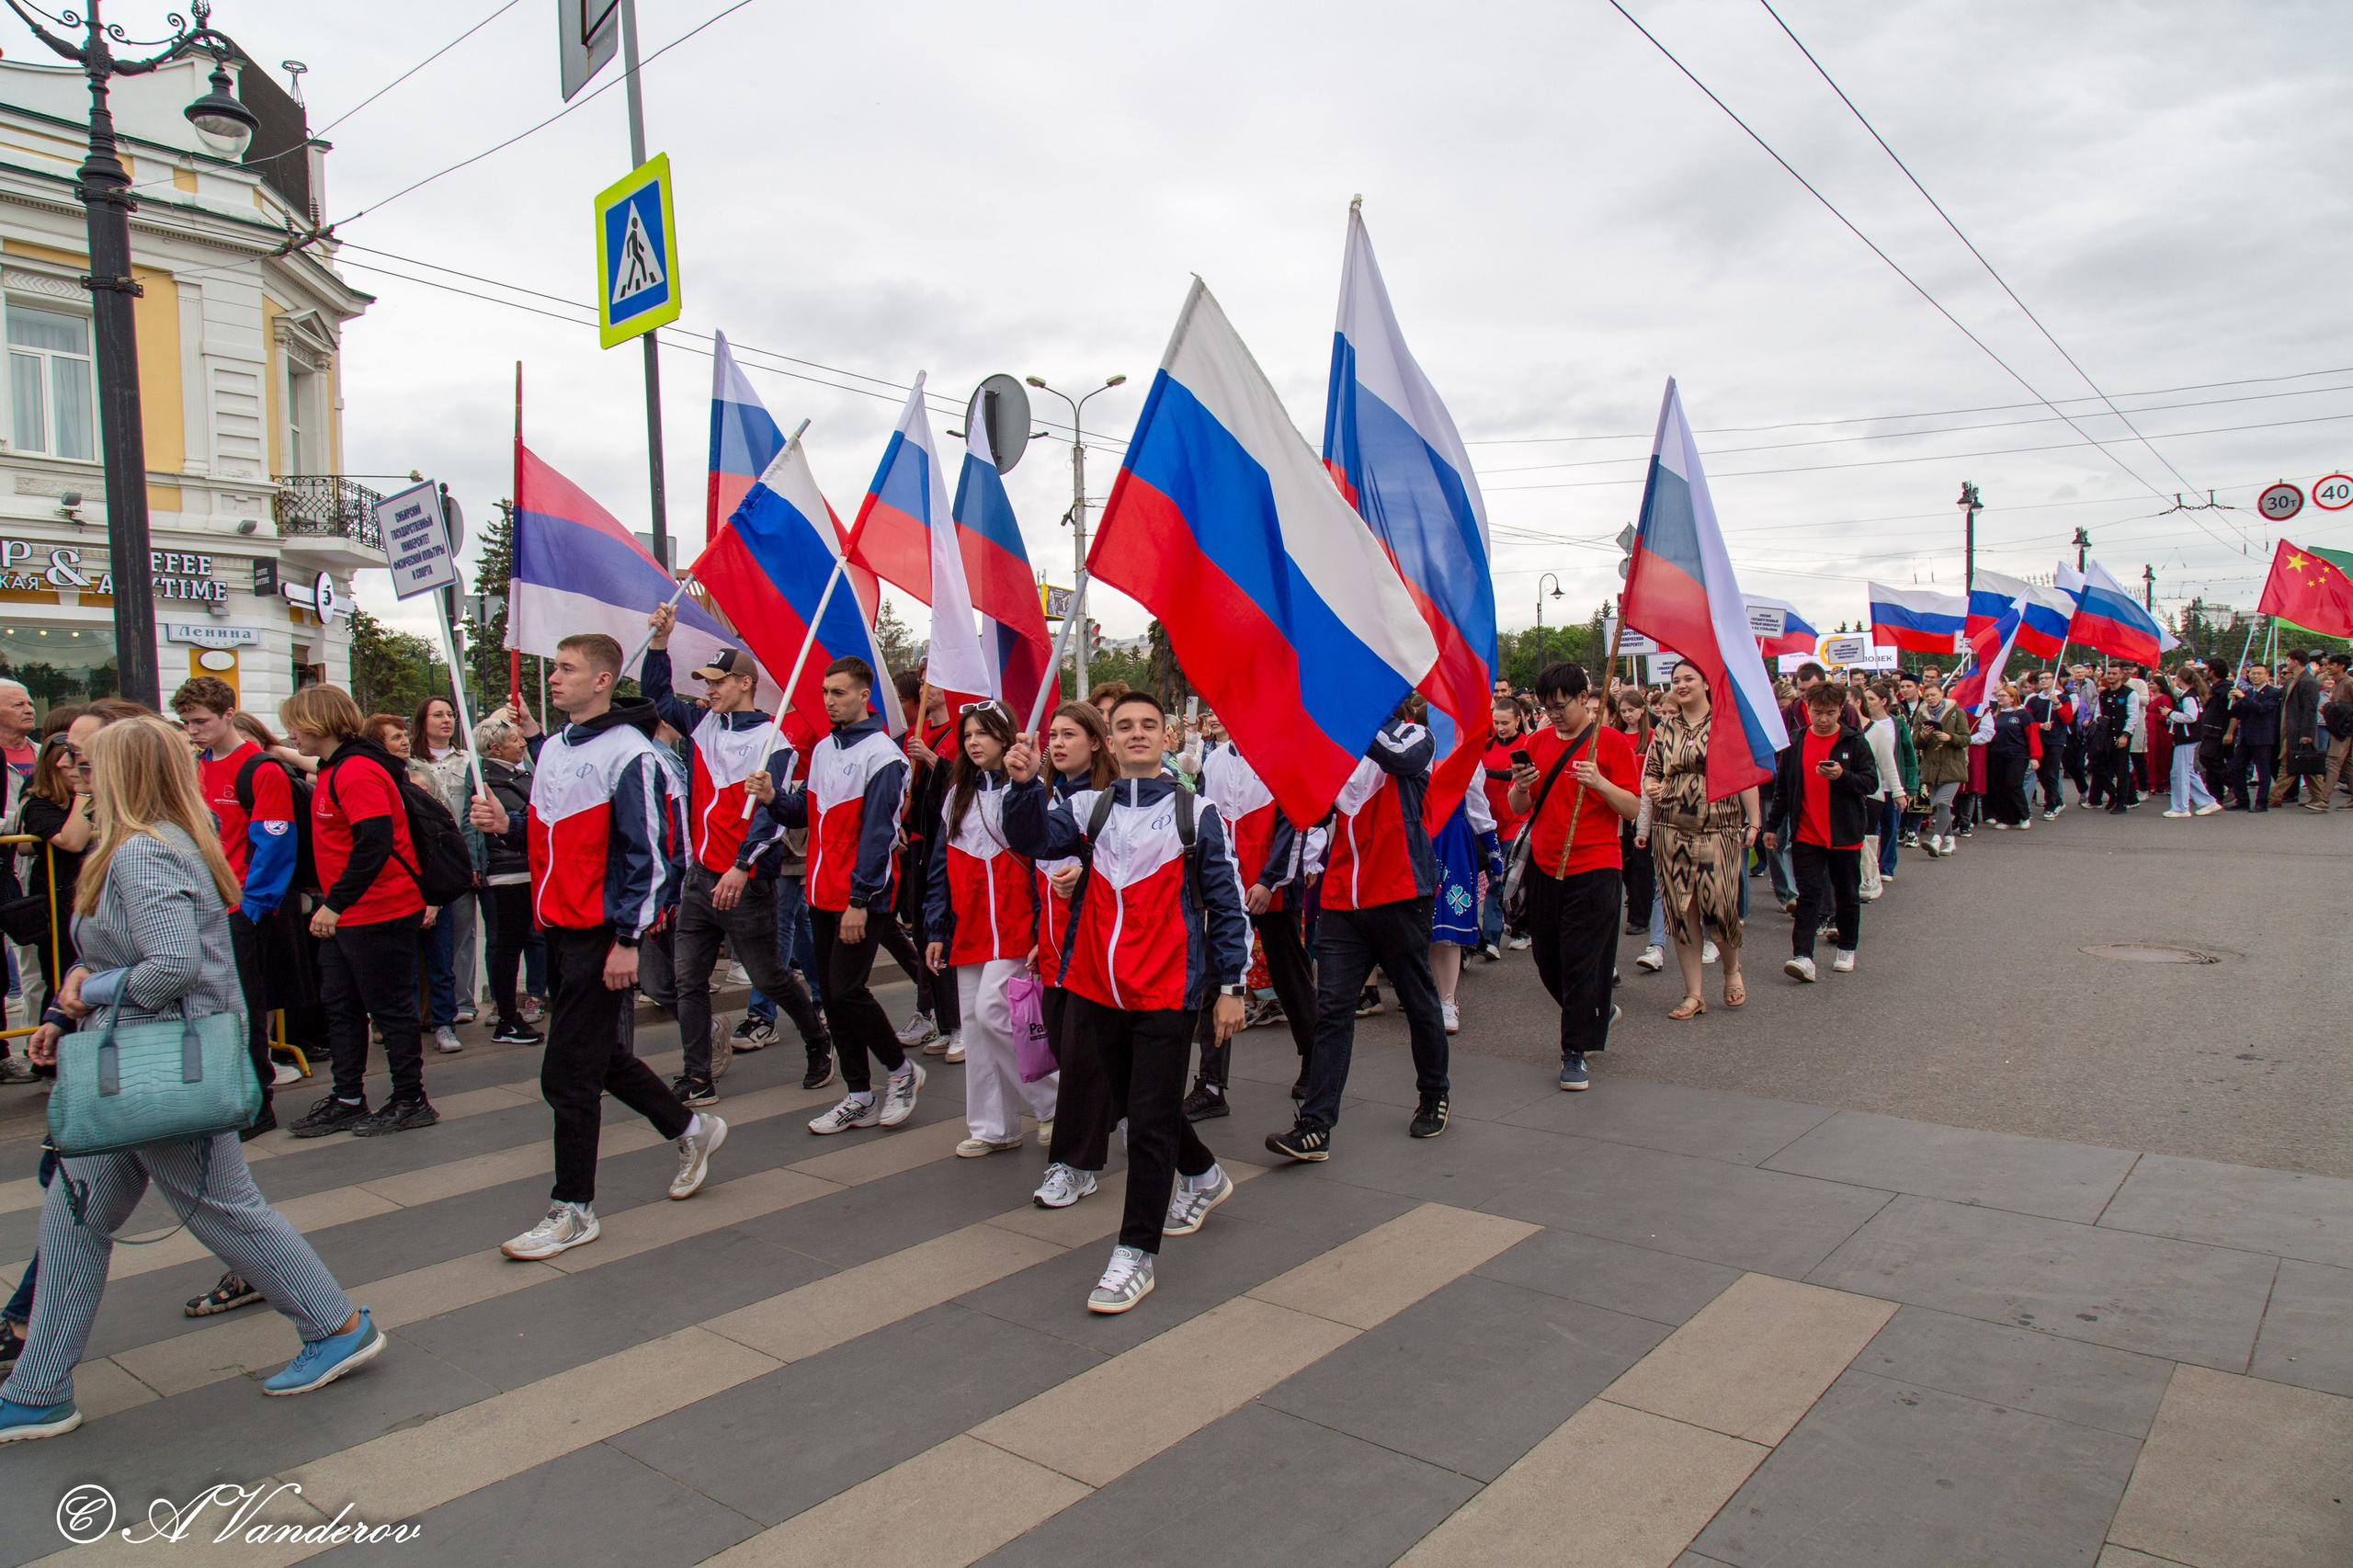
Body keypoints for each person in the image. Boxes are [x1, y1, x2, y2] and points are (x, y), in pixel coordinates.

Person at [0, 717, 383, 1443]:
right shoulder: (152, 845)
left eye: (89, 761)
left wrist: (93, 992)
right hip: (140, 1064)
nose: (75, 770)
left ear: (124, 774)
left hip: (157, 1064)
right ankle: (38, 1385)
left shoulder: (143, 855)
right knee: (74, 1218)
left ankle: (334, 1325)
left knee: (220, 1208)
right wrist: (70, 1001)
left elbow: (174, 964)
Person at [466, 633, 722, 1261]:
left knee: (567, 1075)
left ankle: (573, 1207)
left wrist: (629, 940)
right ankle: (692, 1128)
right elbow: (555, 823)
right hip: (556, 924)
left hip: (601, 933)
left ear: (604, 679)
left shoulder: (633, 755)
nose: (553, 678)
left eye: (566, 669)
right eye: (554, 667)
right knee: (601, 1057)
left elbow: (656, 856)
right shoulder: (553, 747)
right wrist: (511, 823)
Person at [1001, 690, 1247, 1314]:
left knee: (1146, 1122)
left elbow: (1228, 906)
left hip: (1167, 992)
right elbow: (1030, 837)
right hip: (1093, 989)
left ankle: (1135, 1253)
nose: (1138, 734)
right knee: (1146, 1108)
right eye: (1124, 727)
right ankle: (1205, 1175)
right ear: (1108, 742)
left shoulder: (1199, 812)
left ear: (1168, 738)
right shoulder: (1088, 807)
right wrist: (1028, 784)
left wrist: (1231, 988)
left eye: (1149, 726)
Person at [642, 609, 834, 1105]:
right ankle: (696, 1076)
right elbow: (658, 700)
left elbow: (771, 817)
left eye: (717, 681)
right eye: (704, 681)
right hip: (700, 878)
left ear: (745, 683)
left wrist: (742, 866)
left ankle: (818, 1040)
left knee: (769, 975)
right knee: (689, 982)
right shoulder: (703, 722)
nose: (707, 689)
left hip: (746, 882)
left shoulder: (775, 740)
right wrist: (660, 644)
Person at [1267, 696, 1451, 1163]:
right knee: (1332, 1012)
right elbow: (1308, 811)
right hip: (1341, 901)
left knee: (1418, 1001)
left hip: (1400, 893)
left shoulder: (1414, 735)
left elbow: (1400, 758)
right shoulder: (1336, 751)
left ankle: (1434, 1093)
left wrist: (1353, 717)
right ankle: (1315, 1125)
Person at [749, 655, 925, 1135]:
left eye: (839, 693)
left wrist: (861, 901)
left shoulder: (883, 757)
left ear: (864, 696)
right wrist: (772, 800)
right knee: (832, 993)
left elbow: (877, 834)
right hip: (820, 891)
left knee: (848, 991)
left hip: (856, 898)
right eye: (826, 692)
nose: (830, 701)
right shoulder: (825, 748)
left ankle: (902, 1071)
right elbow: (806, 812)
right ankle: (859, 1093)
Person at [278, 688, 438, 1138]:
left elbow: (375, 842)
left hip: (379, 908)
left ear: (318, 725)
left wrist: (334, 903)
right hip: (352, 912)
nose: (291, 734)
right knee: (342, 1009)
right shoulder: (337, 766)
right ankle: (348, 1097)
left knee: (390, 1011)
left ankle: (411, 1098)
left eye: (295, 726)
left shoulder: (356, 771)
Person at [172, 676, 304, 1143]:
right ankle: (225, 1097)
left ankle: (257, 1103)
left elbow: (274, 841)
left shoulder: (260, 768)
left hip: (239, 908)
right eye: (186, 722)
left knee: (244, 1007)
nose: (193, 730)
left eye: (201, 721)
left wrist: (252, 906)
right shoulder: (193, 766)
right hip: (200, 904)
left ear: (229, 714)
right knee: (211, 1007)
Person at [924, 701, 1052, 1157]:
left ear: (1005, 736)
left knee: (994, 1011)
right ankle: (993, 1126)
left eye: (983, 733)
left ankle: (1053, 1101)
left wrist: (1043, 928)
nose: (973, 742)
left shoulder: (1030, 790)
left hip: (1017, 923)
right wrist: (936, 927)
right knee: (975, 1026)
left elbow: (1045, 860)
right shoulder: (957, 792)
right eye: (967, 735)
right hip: (971, 924)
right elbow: (939, 866)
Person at [1506, 662, 1641, 1091]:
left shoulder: (1613, 743)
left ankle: (1574, 1051)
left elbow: (1633, 809)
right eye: (1546, 707)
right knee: (1548, 960)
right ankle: (1594, 1008)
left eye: (1561, 705)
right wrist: (1521, 785)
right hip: (1547, 864)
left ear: (1585, 698)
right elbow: (1517, 808)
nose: (1554, 714)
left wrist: (1600, 783)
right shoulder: (1537, 740)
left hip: (1597, 865)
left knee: (1583, 960)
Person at [1185, 721, 1317, 1119]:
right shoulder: (1216, 759)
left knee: (1290, 977)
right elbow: (1206, 823)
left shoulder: (1281, 755)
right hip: (1228, 889)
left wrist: (1269, 880)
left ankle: (1315, 1062)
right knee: (1216, 983)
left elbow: (1294, 824)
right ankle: (1211, 1085)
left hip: (1272, 889)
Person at [1029, 699, 1120, 1205]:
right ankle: (1141, 1123)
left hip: (1095, 951)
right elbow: (1031, 855)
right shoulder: (1049, 794)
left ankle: (1074, 1164)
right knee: (1079, 1053)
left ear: (1095, 741)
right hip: (1053, 950)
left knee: (1083, 1058)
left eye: (1069, 735)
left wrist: (1089, 872)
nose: (1058, 744)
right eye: (1054, 736)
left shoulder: (1111, 798)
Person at [1643, 662, 1758, 1018]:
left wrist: (1754, 821)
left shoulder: (1726, 724)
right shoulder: (1664, 727)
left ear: (1706, 683)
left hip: (1718, 825)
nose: (1680, 685)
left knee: (1718, 908)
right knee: (1680, 911)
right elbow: (1652, 772)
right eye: (1675, 680)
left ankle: (1730, 968)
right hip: (1671, 827)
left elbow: (1745, 774)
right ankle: (1694, 994)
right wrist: (1652, 787)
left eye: (1688, 678)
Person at [1765, 684, 1878, 981]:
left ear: (1841, 710)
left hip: (1845, 833)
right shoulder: (1796, 741)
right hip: (1806, 833)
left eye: (1830, 713)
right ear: (1806, 708)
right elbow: (1784, 788)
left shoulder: (1854, 741)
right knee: (1808, 896)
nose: (1823, 719)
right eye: (1817, 712)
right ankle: (1803, 956)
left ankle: (1847, 947)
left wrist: (1843, 776)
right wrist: (1772, 826)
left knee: (1847, 894)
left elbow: (1871, 783)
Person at [408, 697, 476, 1048]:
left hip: (456, 858)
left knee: (461, 936)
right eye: (438, 714)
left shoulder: (467, 761)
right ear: (423, 721)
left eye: (450, 714)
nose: (447, 720)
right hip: (421, 860)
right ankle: (425, 1012)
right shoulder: (408, 762)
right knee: (427, 946)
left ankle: (461, 1004)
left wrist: (473, 860)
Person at [471, 711, 541, 1042]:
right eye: (514, 739)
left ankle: (526, 1004)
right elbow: (526, 815)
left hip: (531, 868)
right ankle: (507, 1017)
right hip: (509, 871)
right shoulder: (487, 779)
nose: (522, 743)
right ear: (495, 750)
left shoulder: (520, 772)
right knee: (508, 945)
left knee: (532, 940)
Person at [1481, 699, 1532, 959]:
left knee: (1504, 881)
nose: (1500, 727)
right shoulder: (1486, 745)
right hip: (1490, 822)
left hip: (1516, 821)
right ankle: (1498, 934)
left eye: (1505, 723)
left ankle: (1497, 937)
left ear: (1517, 721)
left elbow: (1516, 775)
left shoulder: (1525, 745)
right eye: (1496, 722)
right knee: (1495, 879)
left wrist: (1484, 772)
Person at [1911, 679, 1971, 855]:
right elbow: (1915, 742)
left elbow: (1966, 738)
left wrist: (1950, 738)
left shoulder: (1957, 713)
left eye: (1933, 695)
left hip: (1953, 766)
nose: (1930, 698)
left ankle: (1936, 840)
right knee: (1939, 804)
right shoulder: (1921, 715)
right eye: (1927, 696)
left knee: (1944, 802)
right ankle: (1950, 840)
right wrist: (1922, 735)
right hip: (1931, 768)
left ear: (1942, 694)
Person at [1858, 683, 1906, 895]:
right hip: (1851, 793)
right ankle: (1856, 880)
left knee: (1869, 838)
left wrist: (1899, 792)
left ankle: (1872, 879)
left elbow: (1888, 765)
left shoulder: (1878, 731)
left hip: (1874, 793)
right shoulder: (1843, 731)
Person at [2161, 670, 2223, 818]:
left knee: (2179, 773)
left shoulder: (2188, 697)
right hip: (2188, 737)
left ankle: (2180, 807)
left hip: (2186, 737)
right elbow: (2175, 691)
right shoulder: (2189, 694)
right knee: (2188, 771)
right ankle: (2206, 801)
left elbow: (2191, 717)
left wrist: (2170, 714)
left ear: (2181, 679)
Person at [2270, 649, 2325, 811]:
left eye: (2288, 660)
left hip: (2298, 731)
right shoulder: (2292, 680)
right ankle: (2319, 797)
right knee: (2307, 764)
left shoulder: (2308, 682)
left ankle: (2275, 796)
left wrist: (2307, 733)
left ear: (2295, 661)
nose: (2287, 663)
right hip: (2288, 728)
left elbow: (2310, 709)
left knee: (2289, 764)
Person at [2224, 664, 2279, 812]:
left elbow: (2261, 709)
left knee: (2263, 771)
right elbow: (2238, 712)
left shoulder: (2272, 693)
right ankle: (2242, 800)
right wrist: (2233, 701)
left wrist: (2242, 697)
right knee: (2236, 768)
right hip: (2246, 736)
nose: (2256, 676)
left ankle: (2261, 802)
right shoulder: (2248, 692)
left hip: (2262, 737)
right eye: (2253, 673)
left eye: (2259, 674)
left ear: (2267, 675)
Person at [1983, 686, 2038, 830]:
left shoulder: (2023, 714)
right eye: (1999, 696)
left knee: (2013, 785)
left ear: (2013, 698)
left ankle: (2024, 815)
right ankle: (2007, 818)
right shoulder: (1995, 715)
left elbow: (2032, 736)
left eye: (2004, 695)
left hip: (2017, 755)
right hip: (1996, 755)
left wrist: (2034, 756)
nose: (2000, 698)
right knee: (2000, 787)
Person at [2094, 667, 2142, 813]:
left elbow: (2133, 716)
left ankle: (2122, 803)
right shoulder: (2103, 694)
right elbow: (2097, 712)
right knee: (2097, 766)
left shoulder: (2130, 693)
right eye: (2109, 673)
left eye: (2114, 674)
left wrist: (2125, 735)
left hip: (2121, 736)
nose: (2111, 676)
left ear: (2121, 675)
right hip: (2105, 736)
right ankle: (2113, 794)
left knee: (2121, 771)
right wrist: (2100, 720)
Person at [2319, 652, 2353, 809]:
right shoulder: (2338, 683)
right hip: (2339, 728)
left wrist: (2332, 708)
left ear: (2341, 666)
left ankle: (2324, 800)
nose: (2327, 668)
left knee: (2333, 761)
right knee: (2347, 764)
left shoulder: (2348, 683)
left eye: (2331, 665)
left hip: (2345, 730)